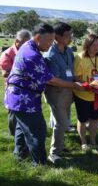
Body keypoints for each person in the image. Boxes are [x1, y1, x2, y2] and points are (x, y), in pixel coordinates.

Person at [4, 23, 82, 166]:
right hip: (24, 100)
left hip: (20, 97)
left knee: (22, 128)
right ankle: (40, 163)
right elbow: (51, 80)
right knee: (38, 131)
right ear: (38, 37)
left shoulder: (29, 46)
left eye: (52, 41)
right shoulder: (32, 55)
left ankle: (20, 157)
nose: (50, 44)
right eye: (48, 41)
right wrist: (74, 85)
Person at [43, 22, 75, 163]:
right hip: (56, 93)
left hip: (68, 91)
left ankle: (60, 147)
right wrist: (74, 85)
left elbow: (71, 68)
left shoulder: (68, 50)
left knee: (64, 122)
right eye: (68, 35)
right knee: (61, 123)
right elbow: (53, 80)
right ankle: (54, 153)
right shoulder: (51, 54)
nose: (70, 37)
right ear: (57, 37)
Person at [73, 33, 98, 151]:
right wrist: (88, 86)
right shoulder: (80, 58)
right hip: (83, 95)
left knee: (95, 119)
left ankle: (93, 141)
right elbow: (77, 77)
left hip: (97, 96)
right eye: (93, 44)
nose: (96, 47)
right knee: (82, 120)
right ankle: (83, 142)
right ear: (87, 45)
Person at [0, 29, 31, 136]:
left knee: (25, 113)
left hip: (27, 88)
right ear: (17, 41)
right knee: (13, 113)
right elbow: (4, 73)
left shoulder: (27, 52)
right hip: (13, 90)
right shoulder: (7, 54)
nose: (26, 45)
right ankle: (13, 134)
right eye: (24, 42)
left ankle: (22, 133)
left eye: (28, 42)